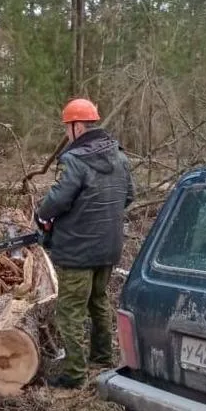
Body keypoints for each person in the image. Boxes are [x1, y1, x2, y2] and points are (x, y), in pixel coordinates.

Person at [36, 98, 135, 388]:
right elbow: (129, 195)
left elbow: (57, 200)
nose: (67, 134)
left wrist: (42, 216)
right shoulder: (120, 156)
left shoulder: (76, 160)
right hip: (109, 247)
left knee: (69, 311)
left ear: (78, 126)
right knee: (98, 300)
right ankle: (103, 356)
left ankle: (75, 373)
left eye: (68, 127)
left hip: (78, 250)